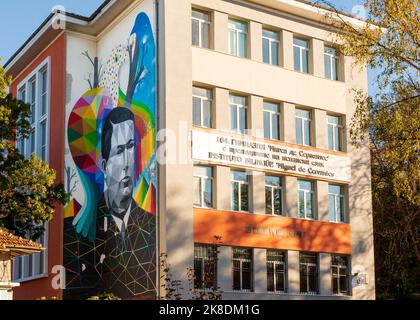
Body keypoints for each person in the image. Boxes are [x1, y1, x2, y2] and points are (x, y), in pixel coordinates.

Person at [95, 107, 156, 299]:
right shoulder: (82, 230)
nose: (127, 161)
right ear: (105, 166)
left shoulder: (154, 226)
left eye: (130, 147)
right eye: (119, 150)